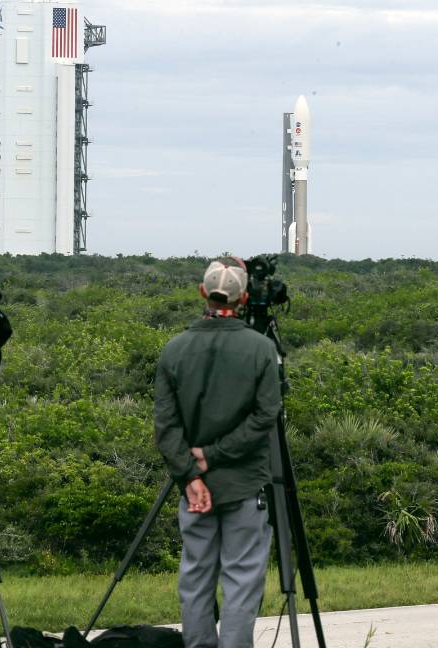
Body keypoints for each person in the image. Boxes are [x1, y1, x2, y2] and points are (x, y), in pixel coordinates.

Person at [154, 258, 282, 648]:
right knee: (241, 581)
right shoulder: (261, 349)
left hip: (194, 491)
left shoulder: (174, 350)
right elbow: (266, 416)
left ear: (202, 293)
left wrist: (191, 474)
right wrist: (215, 454)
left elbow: (166, 428)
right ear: (243, 298)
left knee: (195, 578)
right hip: (244, 485)